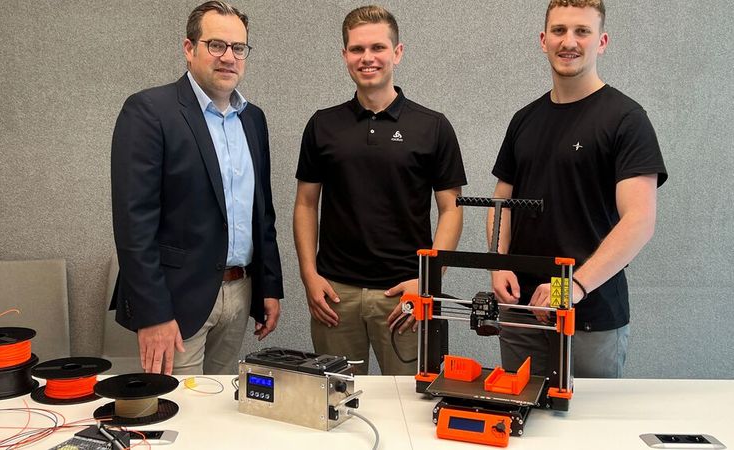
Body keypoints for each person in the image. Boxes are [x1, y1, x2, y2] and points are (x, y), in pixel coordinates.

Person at [488, 0, 667, 378]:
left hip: (589, 316)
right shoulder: (524, 119)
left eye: (582, 31)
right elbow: (501, 200)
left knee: (588, 417)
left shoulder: (626, 119)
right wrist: (498, 263)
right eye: (559, 30)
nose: (569, 41)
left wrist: (571, 287)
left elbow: (639, 221)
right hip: (522, 313)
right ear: (543, 40)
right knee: (523, 412)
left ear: (601, 42)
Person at [111, 1, 283, 376]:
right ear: (189, 49)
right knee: (179, 408)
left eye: (238, 47)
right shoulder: (149, 111)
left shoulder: (253, 119)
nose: (229, 57)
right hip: (175, 302)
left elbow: (262, 212)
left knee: (222, 403)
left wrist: (269, 287)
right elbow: (133, 224)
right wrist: (153, 313)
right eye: (216, 45)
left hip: (240, 291)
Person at [294, 5, 467, 375]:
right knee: (337, 398)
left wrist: (428, 281)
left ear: (397, 52)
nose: (367, 57)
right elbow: (306, 204)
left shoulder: (432, 126)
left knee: (408, 400)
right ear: (345, 55)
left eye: (378, 48)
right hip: (335, 295)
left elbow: (451, 210)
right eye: (357, 49)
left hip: (405, 294)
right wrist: (309, 275)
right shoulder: (322, 125)